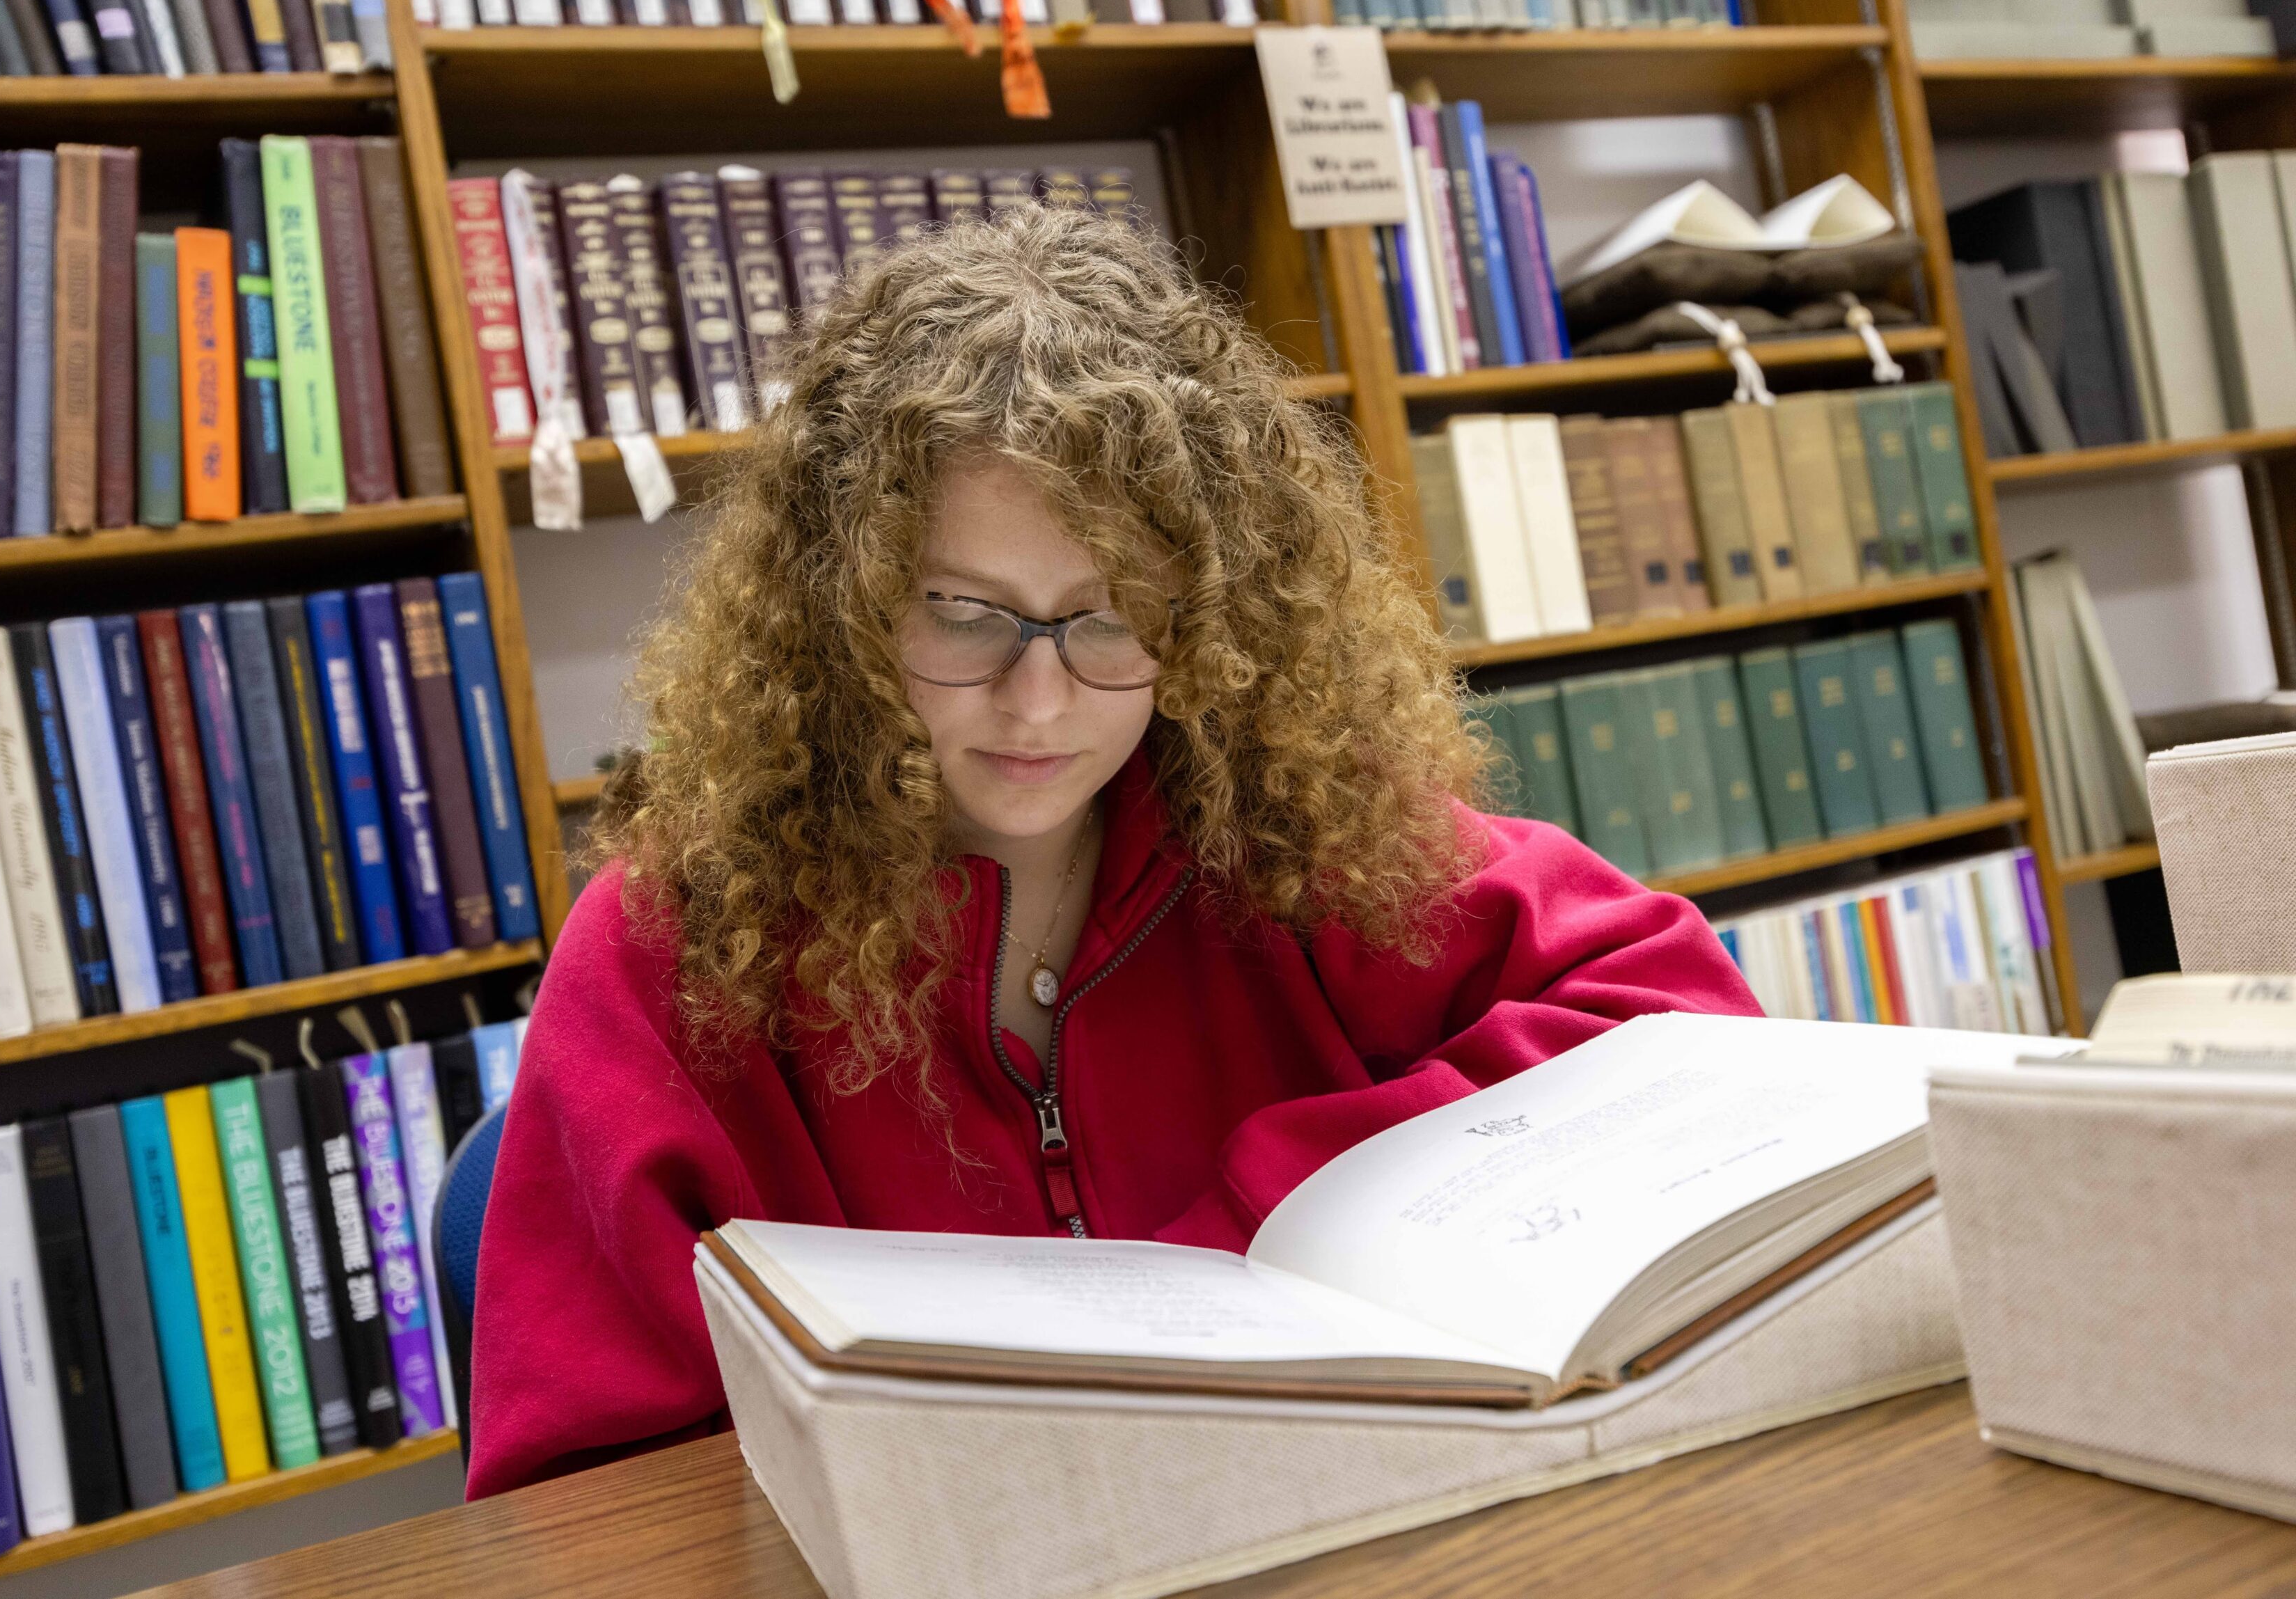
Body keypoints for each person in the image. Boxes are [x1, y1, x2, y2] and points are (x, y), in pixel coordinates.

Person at [466, 206, 1759, 1497]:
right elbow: (578, 1505)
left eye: (1110, 618)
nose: (1039, 704)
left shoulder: (1294, 826)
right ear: (842, 604)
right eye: (964, 616)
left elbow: (1673, 1008)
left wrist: (1293, 1214)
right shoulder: (677, 945)